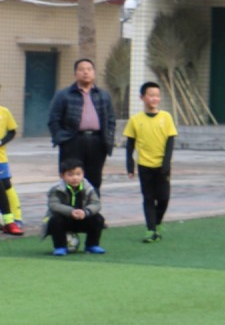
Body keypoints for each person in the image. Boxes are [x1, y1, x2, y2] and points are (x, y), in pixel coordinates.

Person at [47, 57, 115, 193]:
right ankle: (71, 211)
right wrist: (62, 139)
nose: (86, 72)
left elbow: (111, 119)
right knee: (72, 178)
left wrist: (108, 138)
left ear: (94, 73)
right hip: (72, 141)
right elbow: (54, 119)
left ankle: (91, 211)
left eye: (89, 69)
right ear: (75, 73)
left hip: (97, 142)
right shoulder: (63, 95)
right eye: (82, 70)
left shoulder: (103, 95)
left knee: (94, 180)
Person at [123, 81, 177, 243]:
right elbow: (130, 145)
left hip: (162, 166)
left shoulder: (166, 117)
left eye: (157, 96)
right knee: (148, 198)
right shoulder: (135, 120)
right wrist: (130, 165)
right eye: (151, 95)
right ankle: (150, 230)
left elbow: (170, 141)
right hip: (144, 165)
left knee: (164, 199)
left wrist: (166, 163)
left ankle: (157, 222)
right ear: (142, 97)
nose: (154, 98)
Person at [45, 159, 105, 255]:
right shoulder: (56, 189)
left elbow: (96, 203)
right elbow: (54, 205)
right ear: (62, 176)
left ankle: (92, 245)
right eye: (70, 175)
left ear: (83, 174)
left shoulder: (88, 188)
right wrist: (71, 211)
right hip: (65, 219)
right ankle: (60, 247)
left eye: (78, 174)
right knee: (55, 220)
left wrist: (86, 212)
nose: (75, 178)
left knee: (98, 219)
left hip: (83, 218)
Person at [0, 92, 23, 235]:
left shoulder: (4, 111)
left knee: (6, 185)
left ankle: (15, 219)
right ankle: (9, 221)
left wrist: (1, 142)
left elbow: (12, 131)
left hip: (1, 158)